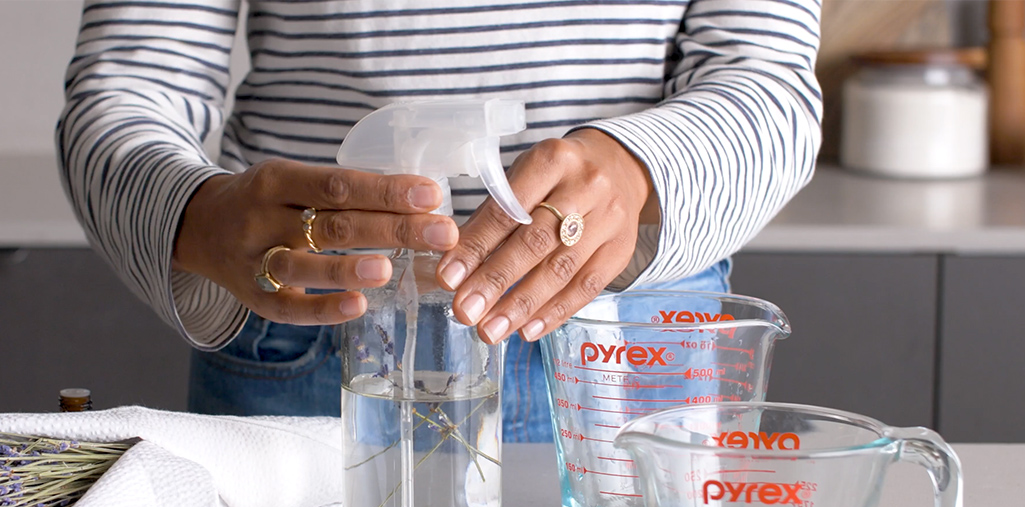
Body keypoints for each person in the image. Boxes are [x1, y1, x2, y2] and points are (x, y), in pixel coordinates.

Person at [57, 0, 822, 442]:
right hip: (314, 318)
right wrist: (197, 215)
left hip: (628, 342)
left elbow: (773, 86)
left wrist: (635, 167)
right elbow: (127, 84)